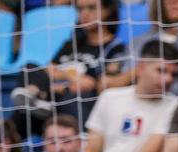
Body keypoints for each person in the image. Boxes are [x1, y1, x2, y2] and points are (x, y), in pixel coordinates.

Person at [8, 0, 130, 138]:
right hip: (52, 99)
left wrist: (61, 77)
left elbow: (91, 84)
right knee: (28, 68)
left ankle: (37, 98)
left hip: (79, 105)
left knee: (73, 97)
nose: (84, 14)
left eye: (91, 8)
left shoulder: (116, 48)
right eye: (80, 9)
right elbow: (48, 70)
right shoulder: (71, 43)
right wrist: (72, 79)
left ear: (107, 10)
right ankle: (34, 96)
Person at [84, 39, 178, 152]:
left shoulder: (174, 105)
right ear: (141, 67)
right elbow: (92, 150)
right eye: (161, 71)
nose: (167, 79)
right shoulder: (109, 97)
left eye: (173, 74)